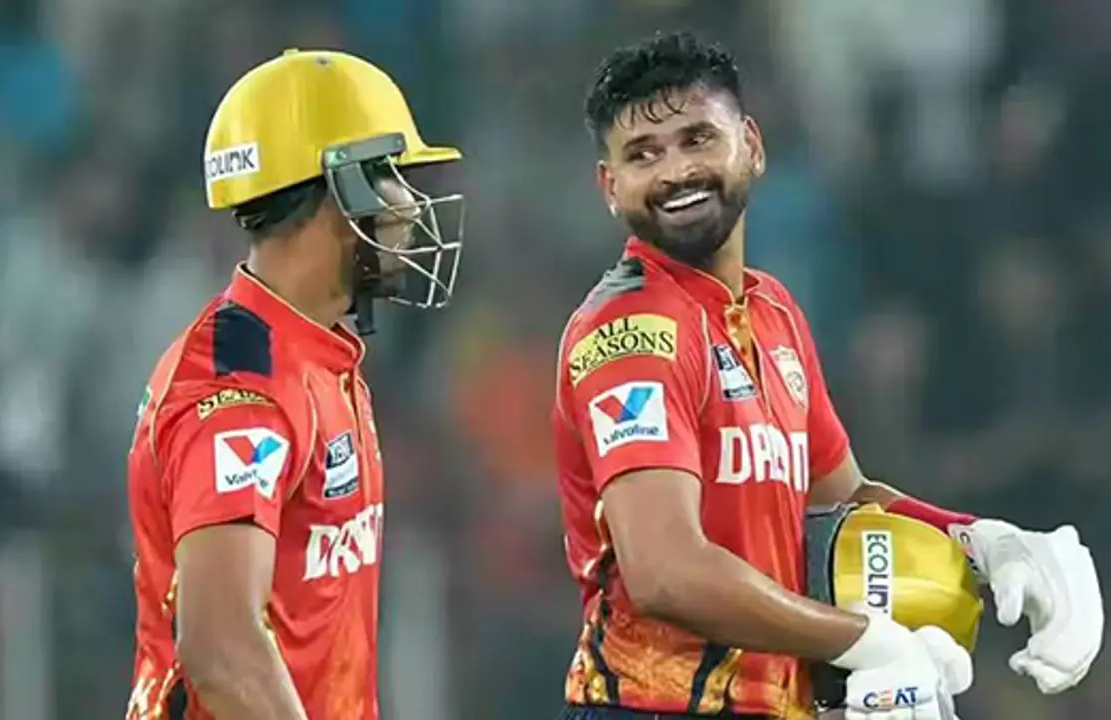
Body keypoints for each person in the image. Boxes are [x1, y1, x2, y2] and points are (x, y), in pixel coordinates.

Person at [552, 31, 1103, 720]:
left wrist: (979, 538)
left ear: (751, 145)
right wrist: (866, 641)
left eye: (697, 138)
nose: (674, 172)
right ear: (610, 187)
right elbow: (665, 573)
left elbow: (839, 496)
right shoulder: (630, 333)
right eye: (642, 155)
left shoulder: (773, 311)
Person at [124, 48, 464, 720]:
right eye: (392, 173)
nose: (411, 203)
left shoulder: (317, 354)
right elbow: (221, 649)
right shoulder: (240, 390)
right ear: (345, 189)